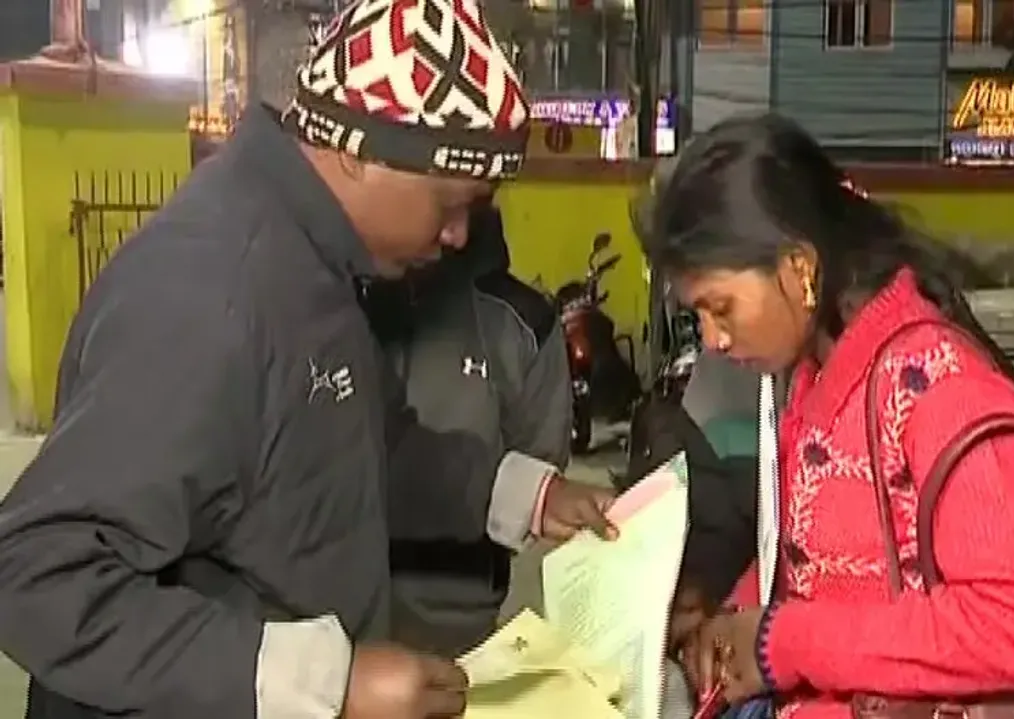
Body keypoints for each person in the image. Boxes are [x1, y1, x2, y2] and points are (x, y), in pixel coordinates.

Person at [0, 2, 607, 717]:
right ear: (357, 150)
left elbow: (367, 444)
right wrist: (322, 681)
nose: (456, 235)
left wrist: (527, 497)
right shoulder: (213, 295)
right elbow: (36, 569)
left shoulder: (321, 266)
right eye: (451, 202)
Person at [639, 114, 1014, 717]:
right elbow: (818, 566)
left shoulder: (935, 385)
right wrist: (734, 618)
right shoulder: (814, 376)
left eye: (720, 307)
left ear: (799, 270)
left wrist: (786, 641)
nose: (712, 338)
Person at [364, 203, 608, 657]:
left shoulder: (522, 320)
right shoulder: (337, 299)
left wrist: (537, 497)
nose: (451, 231)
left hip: (459, 615)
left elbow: (538, 464)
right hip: (336, 618)